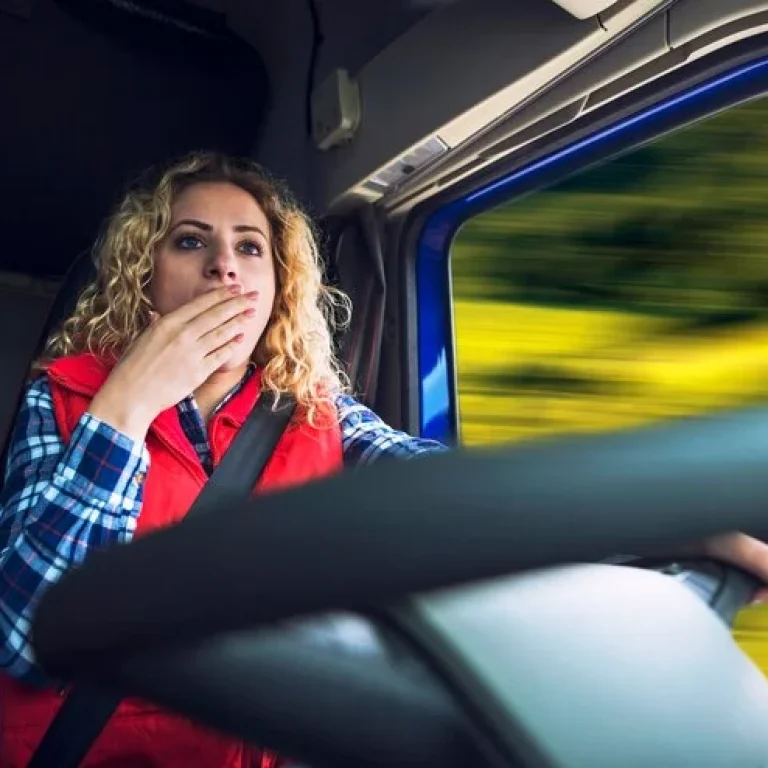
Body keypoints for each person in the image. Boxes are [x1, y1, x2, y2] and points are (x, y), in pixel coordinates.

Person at [0, 151, 767, 768]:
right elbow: (28, 636)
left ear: (276, 284)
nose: (224, 269)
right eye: (190, 240)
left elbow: (450, 498)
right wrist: (129, 402)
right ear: (146, 274)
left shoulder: (315, 417)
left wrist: (679, 530)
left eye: (250, 248)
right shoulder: (65, 401)